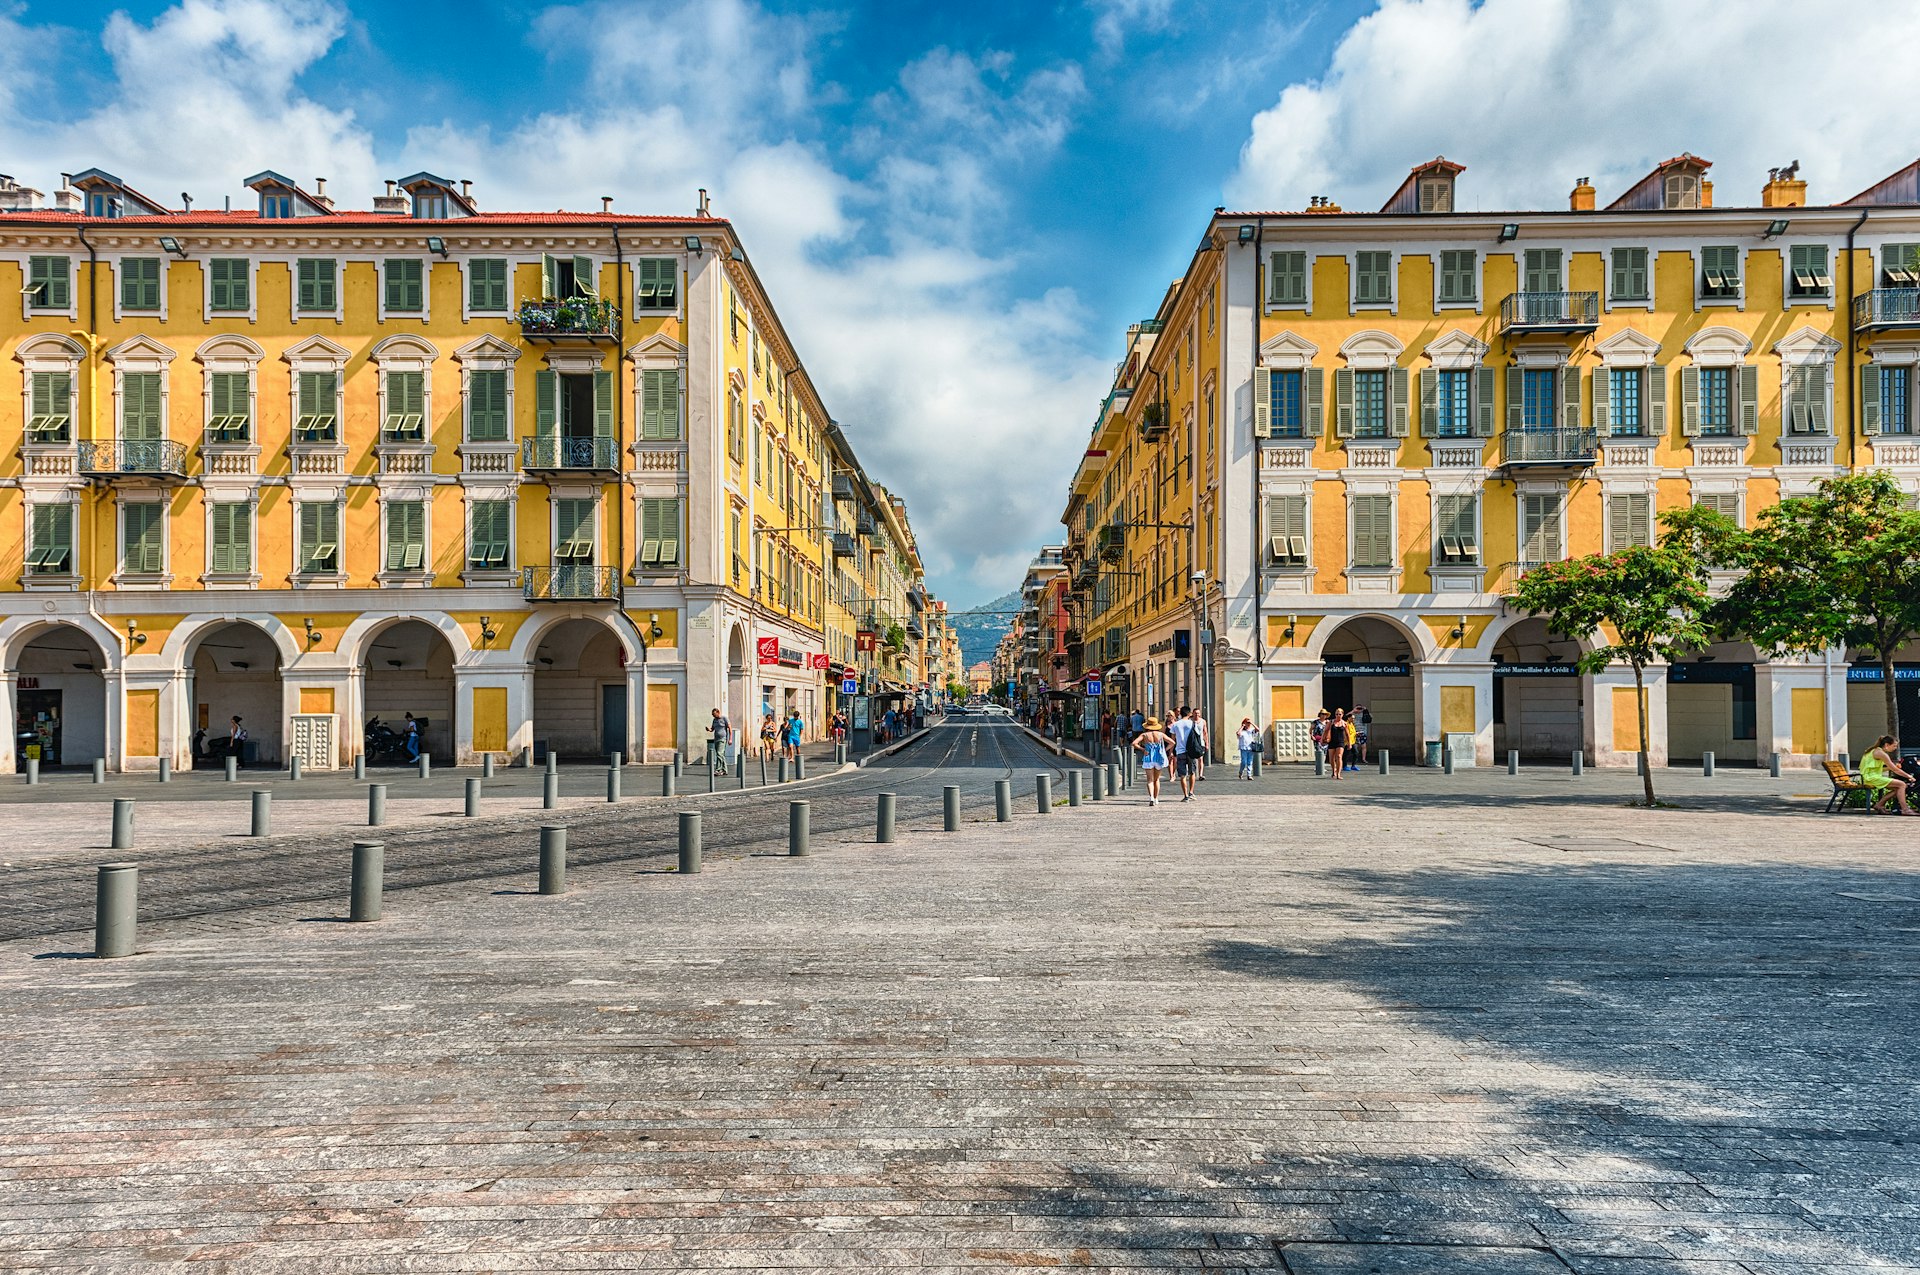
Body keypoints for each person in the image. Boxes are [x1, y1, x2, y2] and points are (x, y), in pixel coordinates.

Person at [1862, 736, 1917, 815]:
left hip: (1871, 776)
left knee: (1898, 788)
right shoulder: (1880, 753)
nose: (1895, 748)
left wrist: (1888, 768)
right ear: (1887, 745)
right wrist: (1909, 776)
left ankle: (1879, 805)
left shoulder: (1875, 751)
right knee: (1902, 784)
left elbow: (1876, 769)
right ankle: (1905, 809)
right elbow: (1895, 770)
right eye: (1894, 746)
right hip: (1871, 778)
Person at [1132, 715, 1175, 807]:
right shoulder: (1160, 735)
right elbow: (1172, 742)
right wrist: (1165, 750)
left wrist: (1143, 749)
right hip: (1159, 757)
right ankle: (1156, 798)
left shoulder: (1144, 735)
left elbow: (1134, 743)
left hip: (1148, 758)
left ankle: (1151, 797)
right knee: (1157, 779)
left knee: (1150, 780)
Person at [1324, 708, 1349, 779]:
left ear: (1342, 715)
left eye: (1340, 714)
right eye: (1336, 714)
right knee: (1331, 759)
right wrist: (1322, 739)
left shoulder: (1344, 723)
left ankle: (1338, 773)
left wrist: (1349, 743)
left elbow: (1347, 734)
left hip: (1340, 742)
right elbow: (1325, 731)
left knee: (1339, 756)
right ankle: (1333, 771)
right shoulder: (1331, 722)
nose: (1338, 715)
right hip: (1332, 741)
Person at [708, 708, 732, 775]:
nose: (713, 716)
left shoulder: (724, 718)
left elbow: (730, 728)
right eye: (712, 715)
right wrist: (709, 729)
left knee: (719, 753)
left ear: (718, 712)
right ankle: (725, 770)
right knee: (721, 755)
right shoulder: (714, 720)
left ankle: (718, 769)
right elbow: (712, 729)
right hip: (716, 739)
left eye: (714, 714)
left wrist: (730, 739)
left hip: (723, 739)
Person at [1190, 708, 1211, 782]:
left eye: (1198, 713)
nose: (1197, 714)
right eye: (1195, 713)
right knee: (1192, 759)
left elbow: (1205, 733)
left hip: (1200, 742)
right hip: (1192, 742)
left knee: (1200, 759)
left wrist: (1207, 743)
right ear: (1192, 713)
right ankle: (1192, 773)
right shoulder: (1190, 721)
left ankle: (1200, 774)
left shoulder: (1203, 721)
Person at [1350, 704, 1370, 770]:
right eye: (1357, 708)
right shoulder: (1353, 715)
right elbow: (1346, 716)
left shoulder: (1364, 714)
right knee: (1355, 747)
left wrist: (1365, 709)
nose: (1358, 710)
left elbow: (1369, 719)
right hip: (1355, 732)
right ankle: (1355, 759)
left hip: (1362, 732)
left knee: (1363, 746)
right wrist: (1353, 710)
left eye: (1359, 708)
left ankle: (1363, 759)